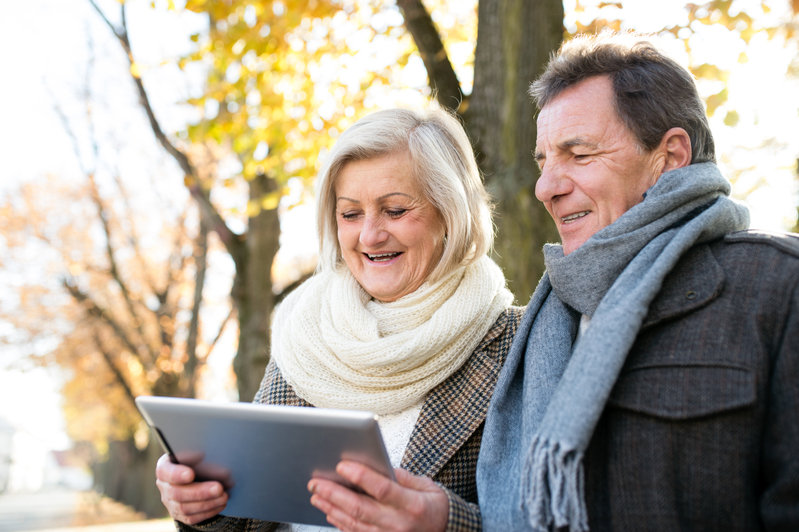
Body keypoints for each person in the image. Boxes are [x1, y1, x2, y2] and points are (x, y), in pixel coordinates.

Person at [476, 30, 799, 532]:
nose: (545, 187)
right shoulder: (544, 319)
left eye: (579, 154)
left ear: (669, 157)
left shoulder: (780, 287)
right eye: (544, 162)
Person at [155, 105, 524, 532]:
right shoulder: (307, 333)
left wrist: (446, 525)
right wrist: (201, 504)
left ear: (450, 213)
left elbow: (553, 516)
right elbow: (247, 523)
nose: (369, 235)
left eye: (396, 210)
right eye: (350, 214)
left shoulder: (517, 341)